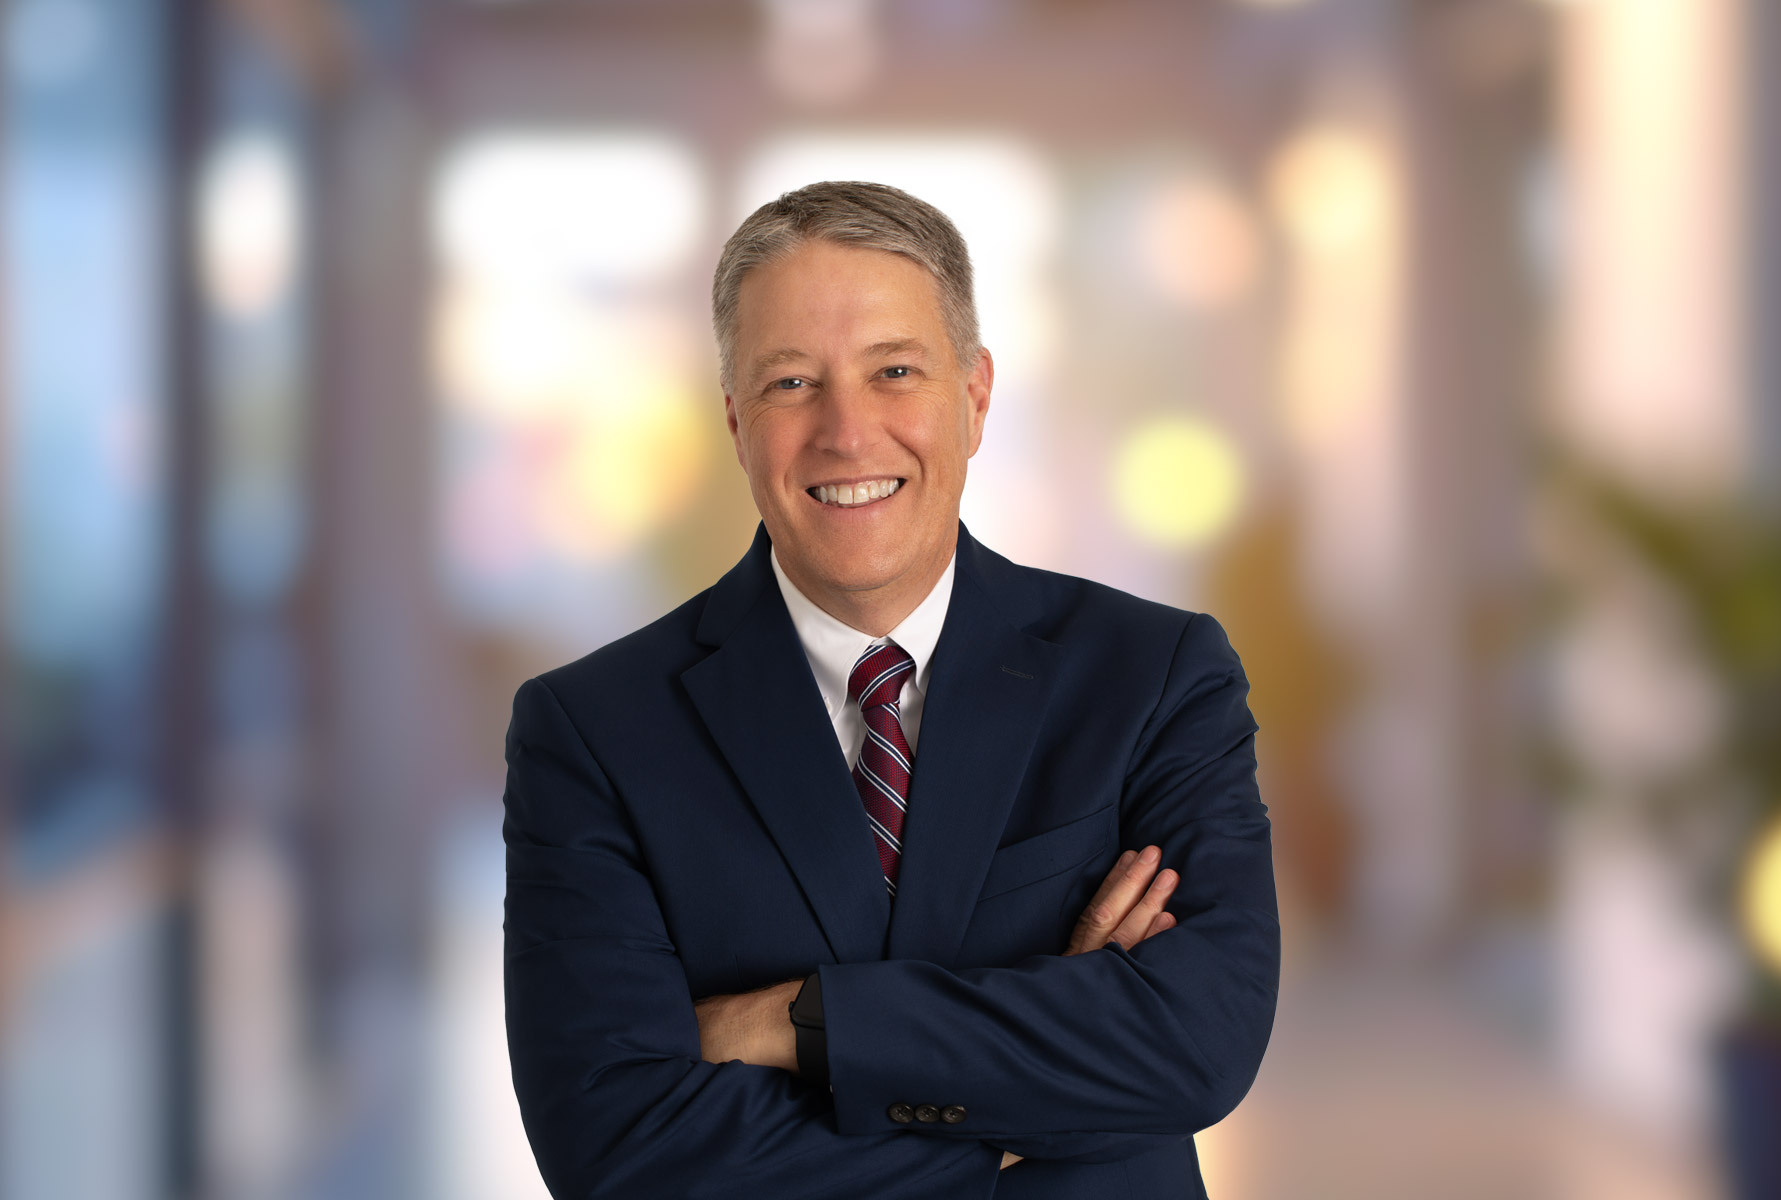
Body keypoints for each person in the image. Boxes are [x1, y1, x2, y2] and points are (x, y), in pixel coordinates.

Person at [500, 180, 1279, 1199]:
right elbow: (617, 1149)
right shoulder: (593, 732)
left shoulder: (1152, 678)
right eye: (790, 383)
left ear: (976, 397)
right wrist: (1028, 1107)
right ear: (736, 422)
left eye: (895, 370)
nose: (848, 433)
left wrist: (796, 1024)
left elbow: (1196, 1045)